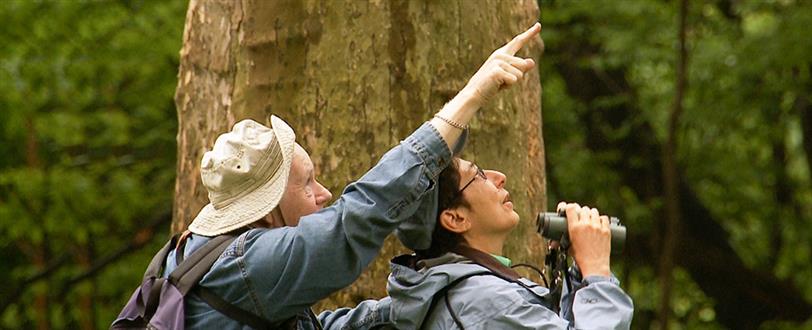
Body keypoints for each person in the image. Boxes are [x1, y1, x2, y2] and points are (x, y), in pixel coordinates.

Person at [150, 22, 542, 329]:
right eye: (305, 184)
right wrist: (472, 95)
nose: (323, 194)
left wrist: (427, 300)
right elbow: (359, 216)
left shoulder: (209, 255)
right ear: (268, 210)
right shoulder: (249, 264)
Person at [383, 158, 635, 329]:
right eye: (479, 175)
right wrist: (596, 271)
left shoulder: (452, 290)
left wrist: (580, 272)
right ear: (456, 218)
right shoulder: (484, 301)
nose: (499, 177)